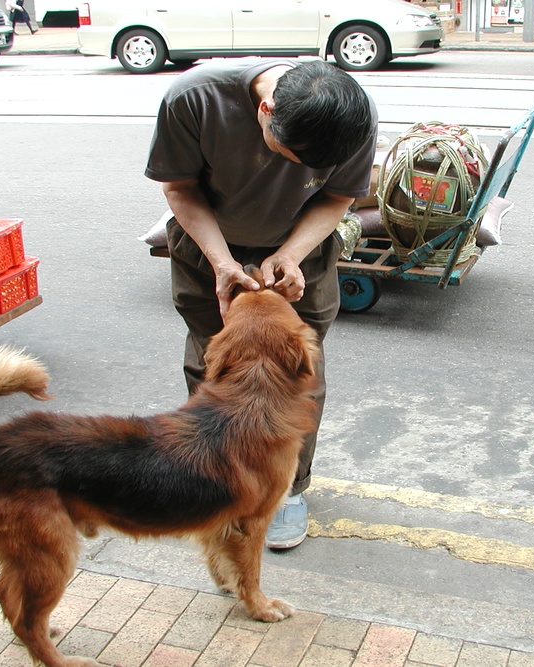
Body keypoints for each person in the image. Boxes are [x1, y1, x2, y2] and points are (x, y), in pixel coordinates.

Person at [145, 59, 378, 549]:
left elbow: (338, 196)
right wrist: (222, 262)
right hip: (209, 244)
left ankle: (285, 489)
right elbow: (179, 187)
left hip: (302, 250)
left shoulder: (352, 116)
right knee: (213, 365)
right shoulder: (194, 98)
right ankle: (217, 480)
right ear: (265, 110)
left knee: (297, 374)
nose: (294, 173)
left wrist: (292, 254)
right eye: (288, 155)